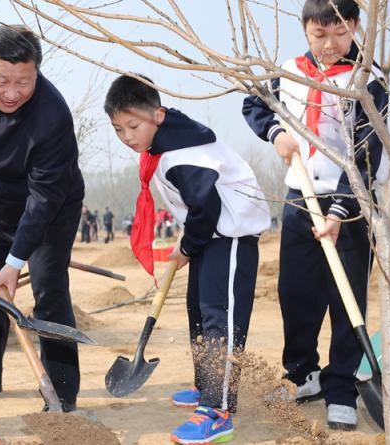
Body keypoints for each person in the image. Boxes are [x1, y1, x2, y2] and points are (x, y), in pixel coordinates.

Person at [242, 0, 388, 430]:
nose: (328, 44)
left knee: (347, 299)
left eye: (339, 34)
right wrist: (275, 132)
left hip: (351, 202)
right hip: (299, 198)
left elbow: (367, 150)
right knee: (296, 293)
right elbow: (255, 105)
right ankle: (302, 372)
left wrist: (341, 210)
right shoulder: (289, 71)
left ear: (356, 26)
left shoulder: (369, 79)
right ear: (305, 30)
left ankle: (341, 385)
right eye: (318, 36)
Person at [106, 74, 271, 444]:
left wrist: (187, 245)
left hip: (229, 238)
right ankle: (206, 387)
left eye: (133, 126)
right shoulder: (166, 145)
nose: (127, 136)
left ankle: (218, 409)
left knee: (220, 321)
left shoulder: (183, 153)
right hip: (210, 237)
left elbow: (206, 205)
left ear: (158, 116)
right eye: (119, 130)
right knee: (198, 311)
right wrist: (191, 242)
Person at [0, 25, 84, 413]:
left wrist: (15, 262)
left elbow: (44, 199)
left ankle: (61, 389)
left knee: (49, 290)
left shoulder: (52, 115)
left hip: (50, 210)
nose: (12, 92)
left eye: (24, 81)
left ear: (36, 73)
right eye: (1, 80)